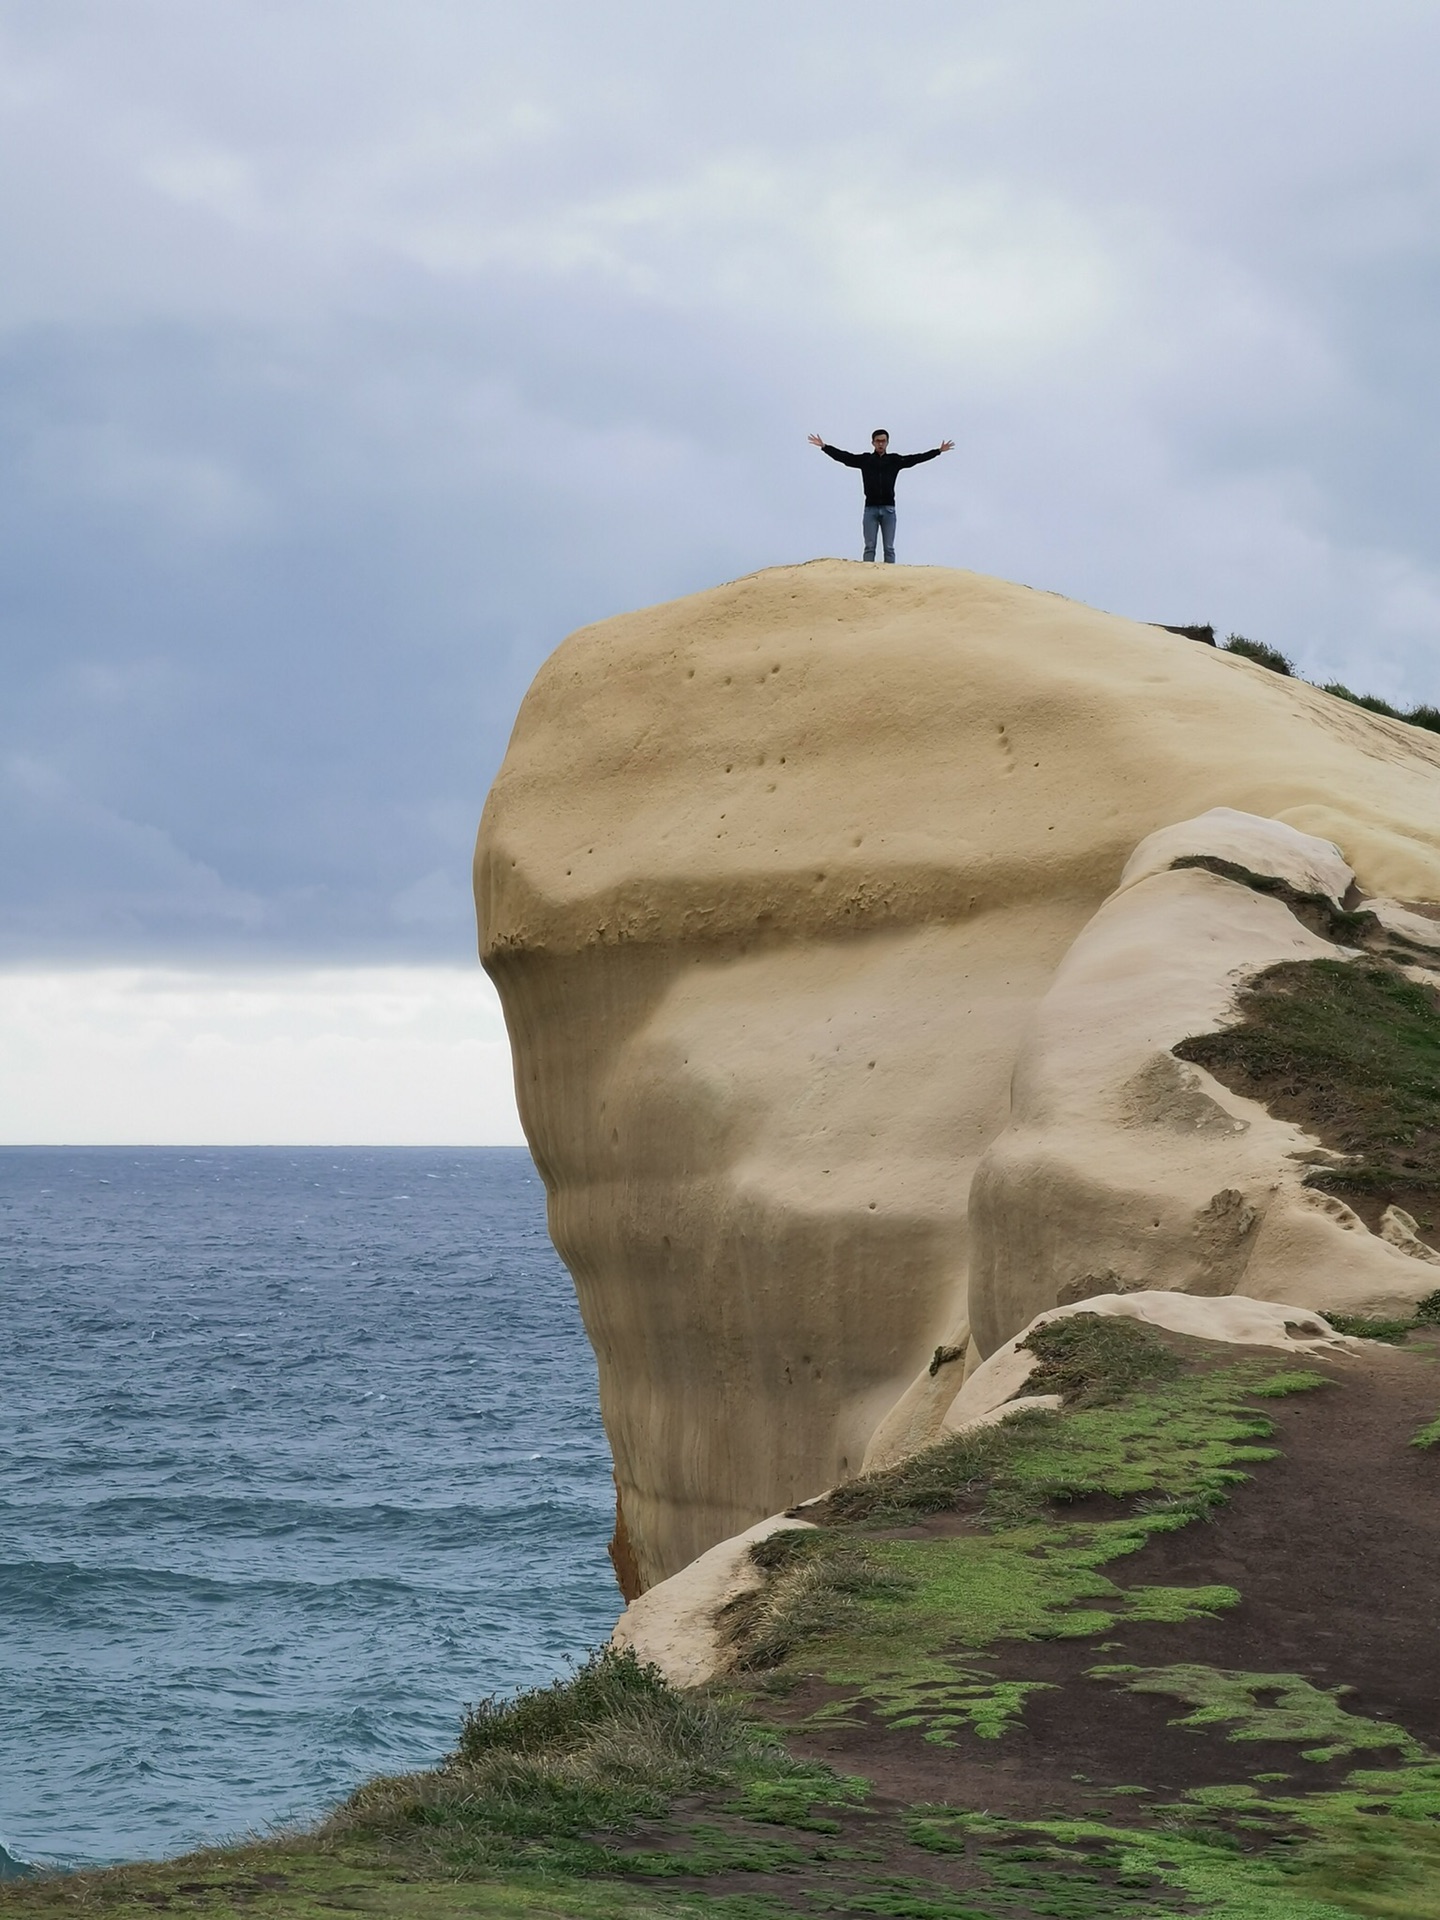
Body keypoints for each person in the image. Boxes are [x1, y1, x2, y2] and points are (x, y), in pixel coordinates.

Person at [809, 428, 954, 563]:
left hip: (889, 509)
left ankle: (890, 578)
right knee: (869, 547)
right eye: (878, 441)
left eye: (883, 441)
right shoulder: (866, 460)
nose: (880, 444)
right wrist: (825, 447)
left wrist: (938, 451)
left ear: (887, 442)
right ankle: (868, 577)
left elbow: (915, 459)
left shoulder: (894, 460)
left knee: (889, 548)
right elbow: (845, 457)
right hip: (870, 509)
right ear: (872, 442)